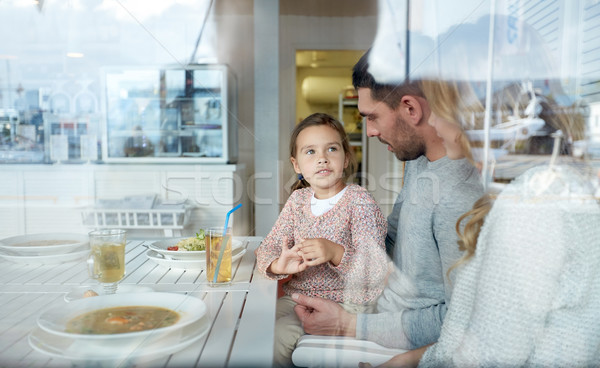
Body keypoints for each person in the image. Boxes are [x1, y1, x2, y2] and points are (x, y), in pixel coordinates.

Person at [292, 52, 484, 351]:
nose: (369, 131)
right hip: (371, 303)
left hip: (390, 334)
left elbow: (464, 322)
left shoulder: (459, 196)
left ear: (410, 108)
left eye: (372, 116)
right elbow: (389, 241)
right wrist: (333, 247)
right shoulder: (421, 162)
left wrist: (346, 324)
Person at [255, 112, 390, 367]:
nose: (322, 159)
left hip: (347, 304)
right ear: (296, 165)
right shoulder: (298, 201)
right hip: (297, 297)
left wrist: (336, 252)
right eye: (310, 152)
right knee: (254, 326)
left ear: (346, 157)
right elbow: (267, 247)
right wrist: (277, 265)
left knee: (277, 338)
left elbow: (374, 271)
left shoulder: (359, 201)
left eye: (331, 149)